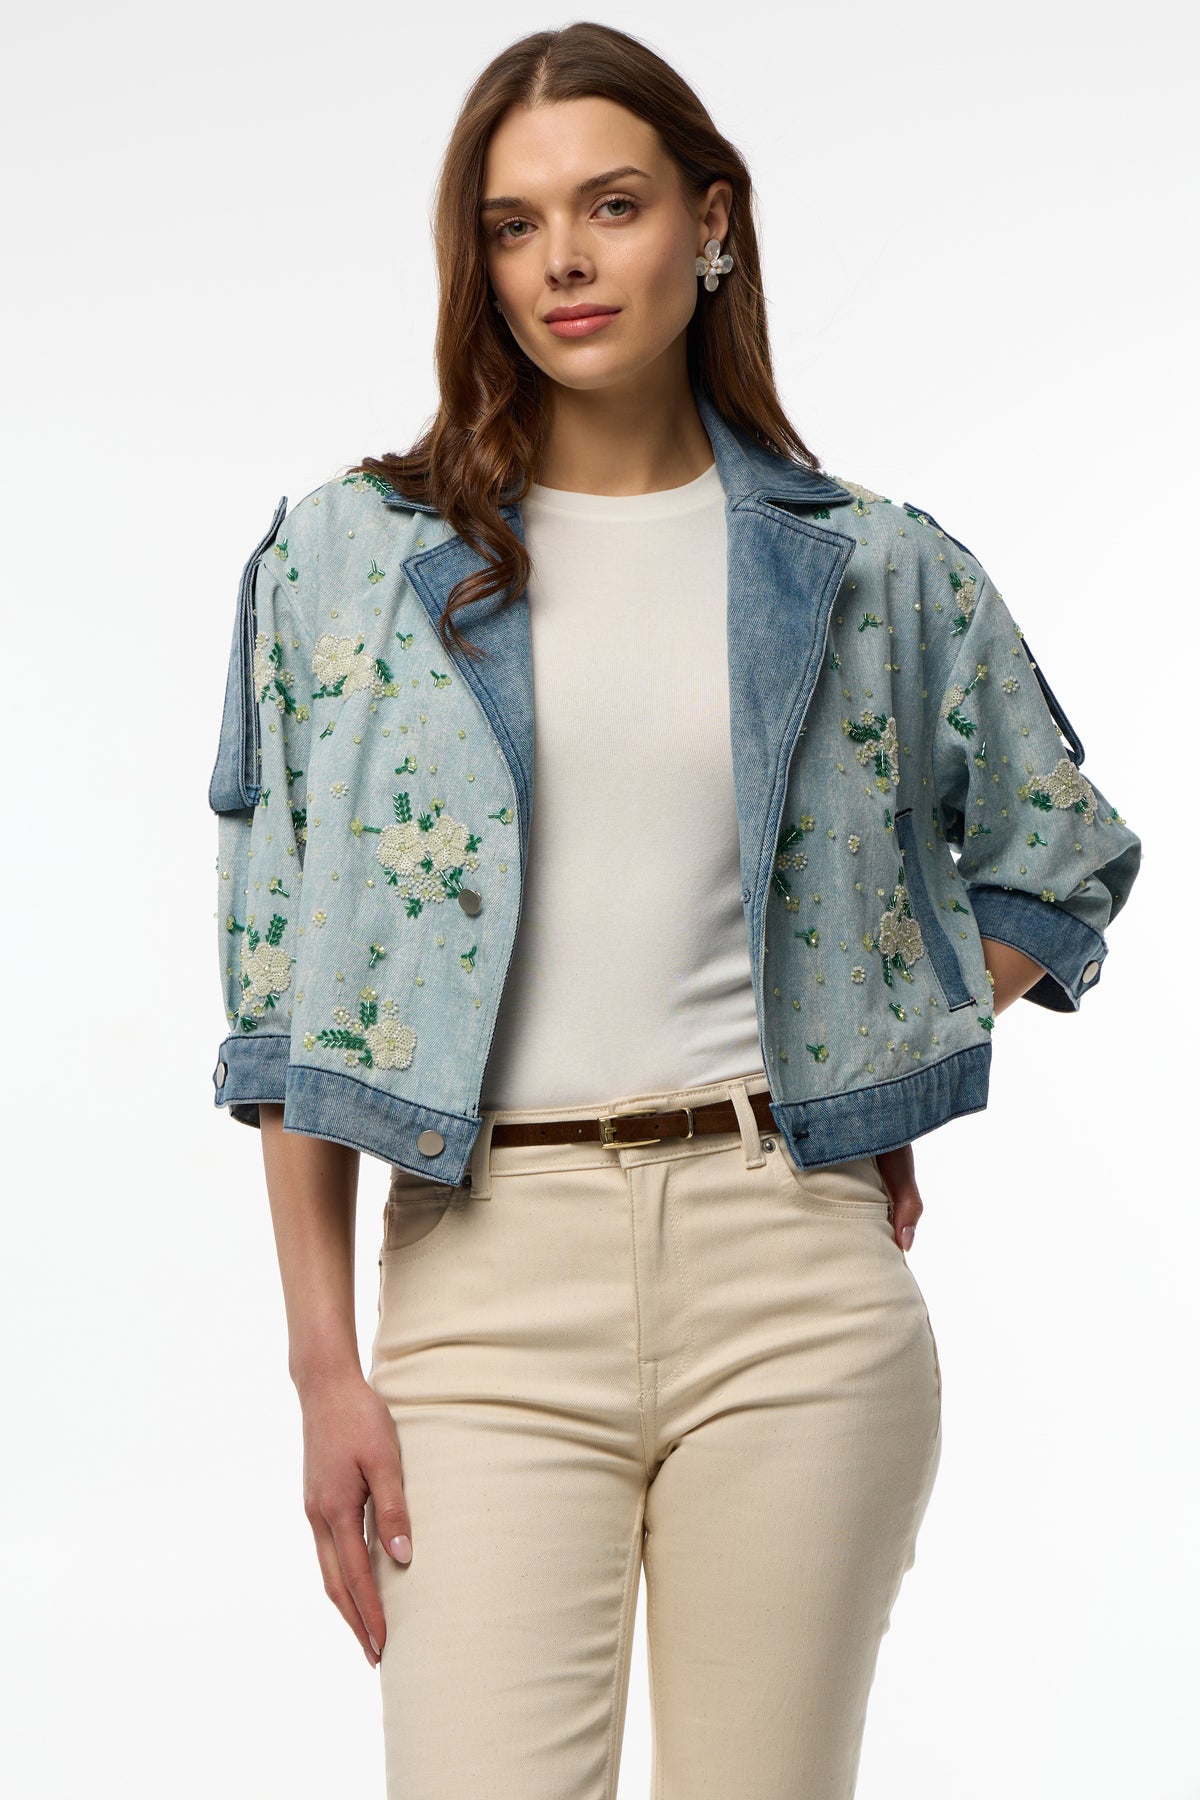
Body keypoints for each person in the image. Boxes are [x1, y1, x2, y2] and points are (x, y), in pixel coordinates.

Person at [207, 21, 1141, 1798]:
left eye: (613, 205)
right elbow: (282, 990)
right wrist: (327, 1369)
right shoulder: (350, 559)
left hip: (792, 1269)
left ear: (710, 223)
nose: (562, 259)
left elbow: (1060, 852)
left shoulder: (870, 562)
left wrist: (875, 1044)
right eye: (513, 223)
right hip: (484, 1279)